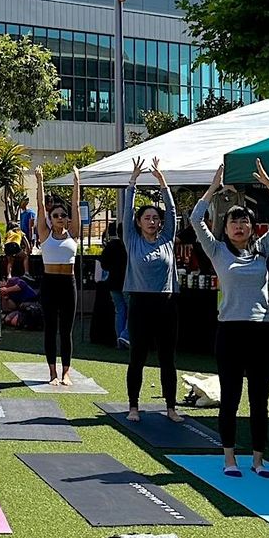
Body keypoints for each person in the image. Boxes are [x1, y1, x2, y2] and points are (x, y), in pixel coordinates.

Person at [191, 160, 269, 475]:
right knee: (231, 397)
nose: (239, 226)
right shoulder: (218, 251)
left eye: (244, 222)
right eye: (234, 221)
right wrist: (212, 188)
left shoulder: (262, 250)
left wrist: (268, 184)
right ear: (226, 228)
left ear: (252, 228)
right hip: (230, 332)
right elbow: (196, 219)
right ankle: (230, 458)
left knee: (260, 399)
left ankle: (258, 459)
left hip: (261, 332)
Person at [123, 155, 181, 422]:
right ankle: (133, 406)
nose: (152, 221)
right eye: (147, 217)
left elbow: (173, 213)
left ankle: (171, 407)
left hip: (166, 303)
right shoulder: (132, 240)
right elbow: (126, 212)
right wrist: (133, 182)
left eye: (156, 218)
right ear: (139, 222)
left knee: (167, 358)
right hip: (140, 304)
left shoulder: (167, 238)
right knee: (138, 356)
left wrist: (162, 182)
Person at [33, 166, 81, 385]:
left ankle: (66, 372)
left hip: (68, 283)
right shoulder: (45, 233)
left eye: (63, 215)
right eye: (56, 215)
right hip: (50, 283)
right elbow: (41, 206)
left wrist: (76, 182)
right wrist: (40, 181)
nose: (60, 217)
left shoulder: (73, 233)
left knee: (66, 330)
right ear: (51, 219)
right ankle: (52, 372)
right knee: (51, 328)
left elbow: (77, 206)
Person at [99, 222, 129, 347]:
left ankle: (120, 339)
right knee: (131, 310)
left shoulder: (112, 245)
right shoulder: (131, 246)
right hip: (128, 282)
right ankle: (125, 335)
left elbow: (104, 264)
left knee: (120, 310)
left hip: (113, 282)